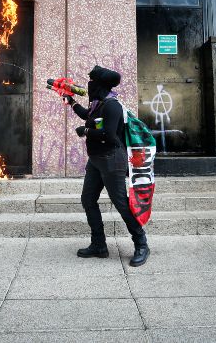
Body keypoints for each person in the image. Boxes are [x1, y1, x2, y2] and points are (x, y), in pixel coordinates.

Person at [62, 65, 150, 266]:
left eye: (93, 82)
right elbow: (88, 116)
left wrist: (86, 132)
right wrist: (72, 102)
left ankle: (141, 243)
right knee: (88, 199)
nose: (89, 85)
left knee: (120, 202)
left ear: (101, 85)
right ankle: (99, 245)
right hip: (95, 160)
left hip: (112, 160)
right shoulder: (98, 103)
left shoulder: (112, 105)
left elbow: (109, 135)